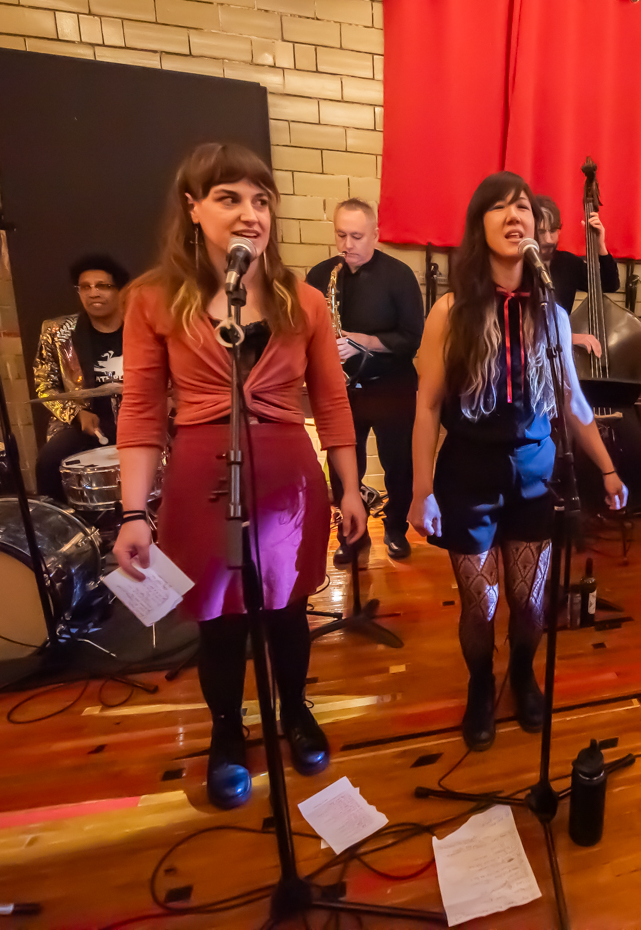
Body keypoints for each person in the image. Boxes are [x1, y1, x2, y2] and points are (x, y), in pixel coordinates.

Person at [113, 144, 367, 811]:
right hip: (201, 480)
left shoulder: (303, 302)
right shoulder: (152, 300)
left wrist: (349, 487)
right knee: (219, 622)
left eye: (261, 200)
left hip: (289, 482)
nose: (250, 214)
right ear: (193, 208)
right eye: (229, 198)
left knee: (287, 611)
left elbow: (332, 400)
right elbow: (141, 411)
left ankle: (294, 710)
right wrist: (133, 512)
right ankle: (227, 731)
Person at [409, 172, 628, 751]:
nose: (514, 216)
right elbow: (427, 407)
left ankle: (524, 675)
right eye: (499, 207)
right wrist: (421, 489)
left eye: (523, 207)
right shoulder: (450, 312)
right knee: (481, 603)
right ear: (478, 226)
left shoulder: (552, 314)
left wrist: (607, 468)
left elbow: (572, 401)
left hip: (535, 473)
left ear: (537, 225)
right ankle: (481, 685)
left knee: (530, 603)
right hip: (468, 476)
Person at [305, 200, 424, 565]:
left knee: (398, 465)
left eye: (357, 236)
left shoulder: (399, 275)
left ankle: (395, 528)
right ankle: (351, 535)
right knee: (341, 470)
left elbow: (411, 339)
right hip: (341, 389)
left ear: (375, 234)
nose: (347, 245)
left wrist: (361, 341)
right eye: (341, 235)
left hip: (391, 385)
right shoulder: (321, 275)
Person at [33, 254, 130, 502]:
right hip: (84, 422)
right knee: (48, 461)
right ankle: (60, 520)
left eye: (103, 286)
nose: (93, 293)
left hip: (137, 417)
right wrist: (77, 414)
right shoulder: (57, 332)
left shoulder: (141, 325)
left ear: (120, 291)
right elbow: (45, 385)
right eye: (85, 287)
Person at [533, 194, 614, 356]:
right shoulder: (516, 266)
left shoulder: (568, 263)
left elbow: (609, 283)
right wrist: (569, 337)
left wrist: (600, 245)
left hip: (558, 356)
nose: (548, 239)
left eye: (553, 231)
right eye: (541, 232)